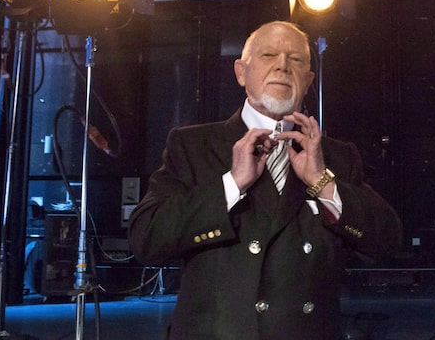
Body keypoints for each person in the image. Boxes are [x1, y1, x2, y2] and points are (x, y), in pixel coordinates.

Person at [128, 20, 402, 340]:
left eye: (296, 59)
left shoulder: (337, 157)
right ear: (241, 72)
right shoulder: (191, 146)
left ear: (308, 80)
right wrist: (232, 183)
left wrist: (322, 182)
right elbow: (146, 240)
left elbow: (388, 242)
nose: (283, 66)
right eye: (268, 55)